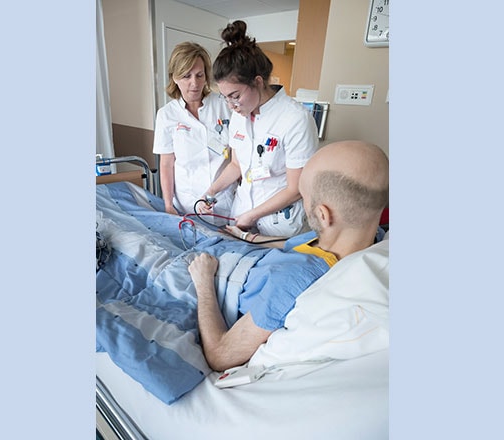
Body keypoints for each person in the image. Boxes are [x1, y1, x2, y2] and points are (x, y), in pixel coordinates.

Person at [188, 140, 390, 372]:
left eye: (303, 197)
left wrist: (203, 281)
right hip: (242, 250)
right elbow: (298, 247)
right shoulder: (367, 237)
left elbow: (220, 355)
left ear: (323, 215)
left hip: (213, 271)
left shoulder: (293, 281)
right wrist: (247, 237)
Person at [196, 20, 319, 237]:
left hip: (279, 223)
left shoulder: (296, 119)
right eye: (225, 98)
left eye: (235, 96)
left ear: (258, 82)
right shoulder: (238, 115)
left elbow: (296, 188)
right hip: (242, 214)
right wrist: (211, 191)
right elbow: (237, 164)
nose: (231, 105)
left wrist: (252, 216)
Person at [152, 42, 235, 219]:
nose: (194, 83)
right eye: (186, 76)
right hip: (187, 203)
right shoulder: (167, 115)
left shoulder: (224, 105)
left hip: (225, 200)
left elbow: (237, 155)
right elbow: (166, 164)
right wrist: (168, 205)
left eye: (199, 75)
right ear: (174, 77)